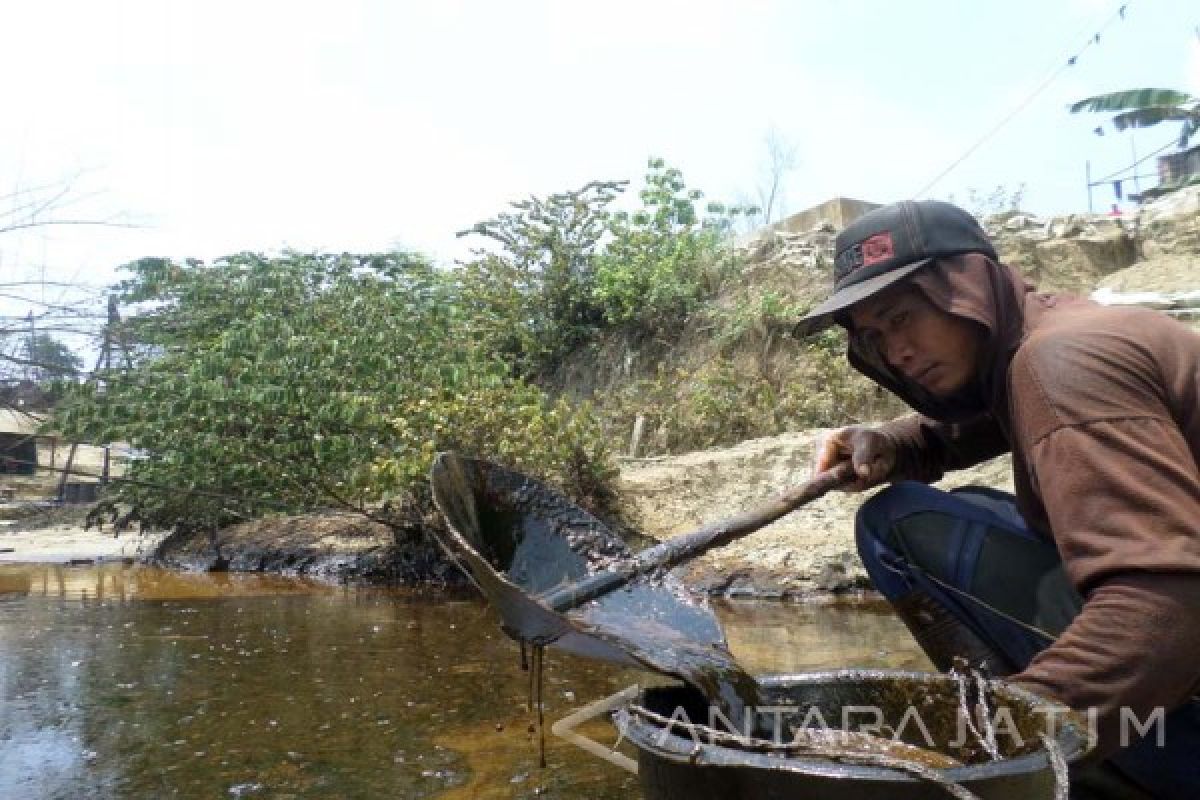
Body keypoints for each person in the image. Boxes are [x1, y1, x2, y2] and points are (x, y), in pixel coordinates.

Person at [793, 200, 1200, 799]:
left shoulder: (1062, 366)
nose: (896, 351)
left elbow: (1167, 608)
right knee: (916, 509)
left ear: (967, 287)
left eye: (902, 316)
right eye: (874, 336)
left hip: (1176, 672)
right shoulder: (1050, 338)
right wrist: (892, 445)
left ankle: (1078, 773)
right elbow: (971, 422)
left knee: (896, 528)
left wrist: (986, 747)